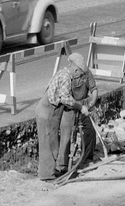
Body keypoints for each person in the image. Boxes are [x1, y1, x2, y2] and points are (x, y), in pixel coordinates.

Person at [35, 52, 98, 181]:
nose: (79, 76)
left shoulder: (65, 74)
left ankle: (51, 172)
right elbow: (65, 99)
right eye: (79, 73)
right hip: (48, 112)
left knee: (53, 143)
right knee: (49, 144)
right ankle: (47, 176)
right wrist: (81, 107)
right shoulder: (65, 77)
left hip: (53, 111)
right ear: (75, 69)